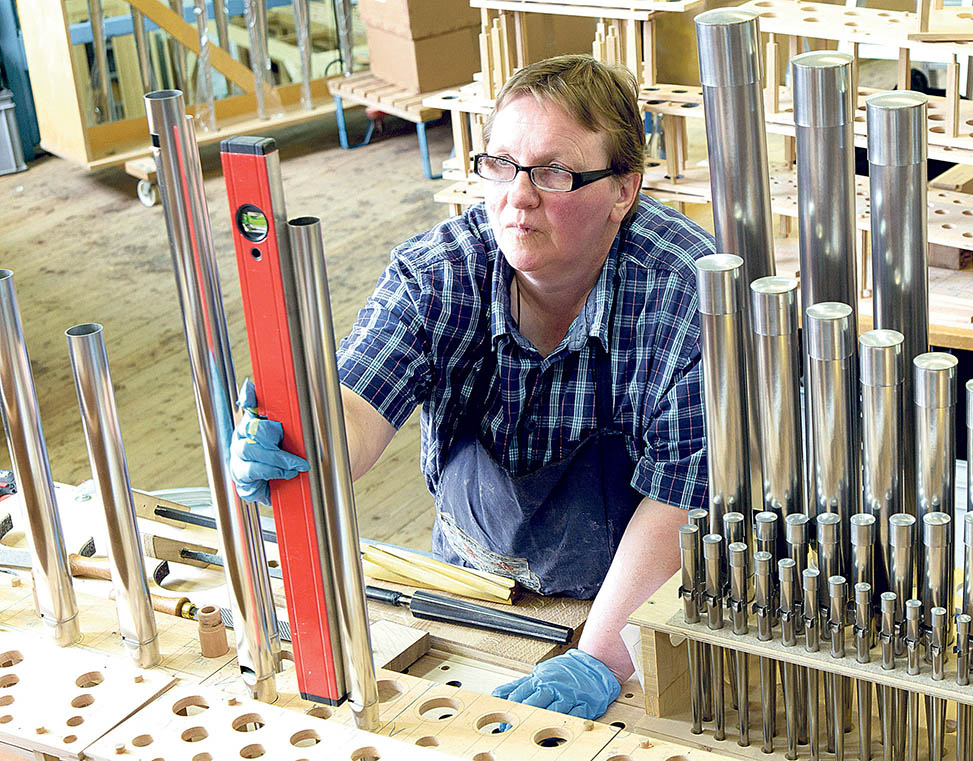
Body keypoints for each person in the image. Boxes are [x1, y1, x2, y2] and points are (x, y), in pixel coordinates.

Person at [231, 54, 715, 720]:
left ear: (622, 191)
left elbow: (682, 498)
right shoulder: (439, 274)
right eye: (501, 165)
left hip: (632, 593)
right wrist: (301, 439)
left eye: (554, 172)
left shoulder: (687, 294)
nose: (518, 197)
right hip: (472, 588)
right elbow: (354, 409)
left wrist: (601, 655)